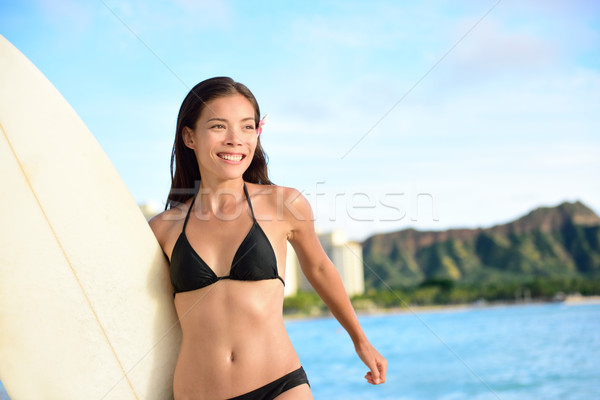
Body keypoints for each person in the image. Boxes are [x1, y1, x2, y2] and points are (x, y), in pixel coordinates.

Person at [149, 77, 387, 400]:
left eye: (247, 127)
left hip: (279, 386)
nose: (236, 140)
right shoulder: (163, 228)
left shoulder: (284, 205)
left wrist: (360, 339)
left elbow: (319, 269)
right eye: (219, 126)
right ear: (189, 136)